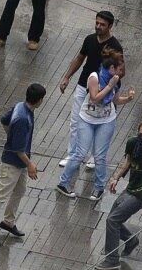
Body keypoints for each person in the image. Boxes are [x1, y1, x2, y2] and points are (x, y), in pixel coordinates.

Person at [57, 48, 134, 199]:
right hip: (87, 118)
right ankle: (63, 182)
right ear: (111, 68)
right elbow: (94, 98)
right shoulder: (95, 77)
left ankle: (99, 187)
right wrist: (109, 86)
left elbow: (115, 100)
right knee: (80, 152)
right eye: (119, 69)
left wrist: (128, 99)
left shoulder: (115, 80)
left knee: (100, 155)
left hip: (106, 120)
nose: (121, 73)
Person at [0, 83, 46, 246]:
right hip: (13, 162)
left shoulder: (19, 107)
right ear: (39, 100)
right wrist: (30, 165)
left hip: (20, 161)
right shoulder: (23, 119)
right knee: (1, 195)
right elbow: (18, 149)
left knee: (20, 190)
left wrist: (10, 135)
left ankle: (8, 221)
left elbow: (4, 120)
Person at [95, 121, 142, 270]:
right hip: (130, 189)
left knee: (113, 220)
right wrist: (115, 178)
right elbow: (127, 162)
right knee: (112, 219)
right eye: (141, 134)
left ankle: (112, 260)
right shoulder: (132, 143)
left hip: (141, 194)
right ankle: (130, 240)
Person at [57, 12, 122, 169]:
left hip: (102, 90)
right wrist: (67, 77)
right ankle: (73, 155)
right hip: (83, 84)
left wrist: (110, 84)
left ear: (110, 26)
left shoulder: (115, 46)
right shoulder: (89, 39)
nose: (98, 26)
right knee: (75, 121)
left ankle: (95, 157)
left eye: (102, 24)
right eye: (97, 23)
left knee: (99, 123)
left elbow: (121, 70)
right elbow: (80, 58)